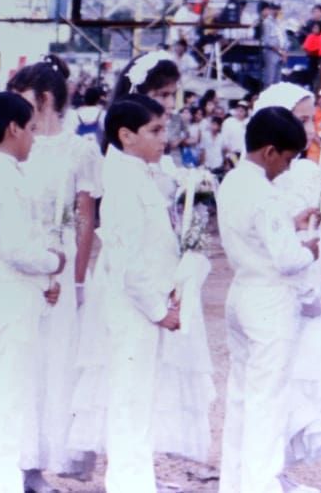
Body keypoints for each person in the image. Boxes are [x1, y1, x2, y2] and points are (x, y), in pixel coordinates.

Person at [100, 95, 213, 492]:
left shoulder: (145, 175)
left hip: (147, 304)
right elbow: (127, 260)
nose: (165, 139)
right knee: (130, 397)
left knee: (141, 396)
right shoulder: (123, 182)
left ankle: (136, 480)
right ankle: (127, 483)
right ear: (126, 136)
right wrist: (156, 308)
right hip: (135, 308)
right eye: (155, 130)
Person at [253, 83, 321, 470]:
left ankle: (280, 467)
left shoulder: (307, 170)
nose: (310, 130)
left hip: (313, 290)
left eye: (309, 119)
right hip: (285, 292)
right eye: (299, 120)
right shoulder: (268, 180)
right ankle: (266, 469)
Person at [0, 92, 66, 493]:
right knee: (4, 402)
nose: (35, 139)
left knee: (2, 398)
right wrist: (53, 263)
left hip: (4, 295)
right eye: (32, 129)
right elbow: (17, 249)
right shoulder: (1, 175)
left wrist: (44, 282)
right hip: (7, 299)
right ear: (13, 129)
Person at [9, 56, 102, 487]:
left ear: (44, 100)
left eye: (22, 99)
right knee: (19, 361)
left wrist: (78, 278)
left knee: (54, 362)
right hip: (19, 261)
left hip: (60, 264)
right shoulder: (12, 142)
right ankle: (15, 458)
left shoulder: (80, 150)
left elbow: (85, 220)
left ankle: (38, 463)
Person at [217, 107, 320, 493]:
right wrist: (309, 247)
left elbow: (255, 230)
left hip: (241, 290)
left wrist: (289, 224)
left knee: (242, 396)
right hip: (269, 301)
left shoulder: (233, 182)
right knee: (267, 399)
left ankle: (236, 482)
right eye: (288, 159)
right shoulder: (264, 192)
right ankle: (260, 483)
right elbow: (288, 259)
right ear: (271, 151)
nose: (288, 169)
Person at [259, 1, 286, 88]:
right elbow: (267, 40)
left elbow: (284, 38)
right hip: (271, 52)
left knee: (277, 81)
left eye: (278, 9)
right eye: (274, 9)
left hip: (281, 53)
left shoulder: (280, 22)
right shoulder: (267, 22)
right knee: (269, 80)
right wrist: (279, 51)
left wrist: (284, 52)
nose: (276, 11)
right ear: (270, 10)